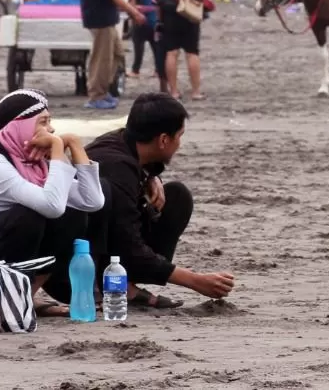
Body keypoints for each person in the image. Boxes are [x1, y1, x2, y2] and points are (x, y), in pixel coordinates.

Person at [84, 93, 234, 309]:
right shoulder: (116, 168)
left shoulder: (123, 142)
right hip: (78, 262)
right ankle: (111, 283)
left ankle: (127, 282)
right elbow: (129, 246)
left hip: (112, 242)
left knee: (176, 197)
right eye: (179, 136)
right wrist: (195, 281)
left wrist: (151, 176)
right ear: (164, 140)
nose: (179, 144)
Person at [0, 89, 105, 316]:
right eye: (43, 122)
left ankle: (25, 296)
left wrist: (73, 143)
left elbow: (92, 201)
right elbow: (53, 207)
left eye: (50, 122)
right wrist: (57, 147)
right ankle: (4, 297)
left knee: (73, 215)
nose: (51, 130)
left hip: (12, 245)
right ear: (19, 126)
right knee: (31, 217)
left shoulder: (31, 160)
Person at [81, 0, 146, 111]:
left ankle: (104, 89)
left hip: (105, 18)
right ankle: (96, 95)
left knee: (117, 54)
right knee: (101, 59)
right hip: (100, 19)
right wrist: (134, 12)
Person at [157, 0, 215, 100]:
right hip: (188, 16)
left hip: (169, 17)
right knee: (191, 53)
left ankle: (174, 91)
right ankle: (195, 91)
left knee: (171, 53)